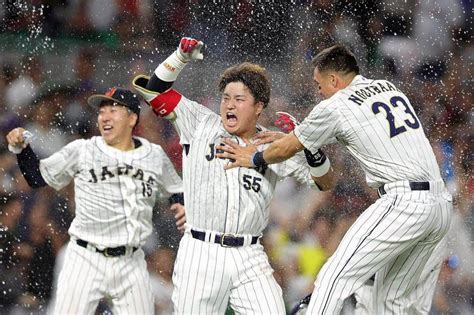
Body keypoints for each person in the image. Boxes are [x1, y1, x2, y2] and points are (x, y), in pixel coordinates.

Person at [217, 44, 453, 314]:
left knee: (333, 276)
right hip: (439, 207)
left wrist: (254, 158)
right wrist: (291, 139)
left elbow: (289, 149)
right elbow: (318, 138)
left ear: (334, 80)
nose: (318, 92)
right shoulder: (388, 88)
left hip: (404, 203)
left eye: (319, 84)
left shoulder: (336, 105)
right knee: (395, 304)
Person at [132, 37, 319, 314]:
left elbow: (321, 179)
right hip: (201, 251)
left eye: (239, 99)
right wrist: (180, 57)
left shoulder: (273, 145)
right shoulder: (199, 122)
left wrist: (305, 141)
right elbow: (154, 91)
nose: (229, 105)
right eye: (226, 98)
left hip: (249, 255)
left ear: (259, 106)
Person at [6, 87, 185, 314]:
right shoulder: (82, 150)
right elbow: (36, 177)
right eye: (101, 112)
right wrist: (22, 149)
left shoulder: (154, 156)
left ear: (132, 118)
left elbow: (176, 191)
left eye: (113, 110)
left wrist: (181, 206)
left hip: (130, 261)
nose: (105, 117)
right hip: (85, 257)